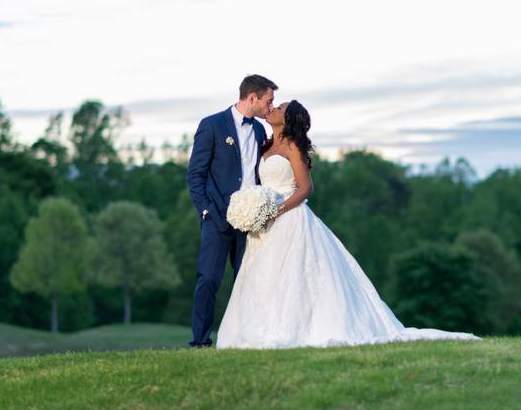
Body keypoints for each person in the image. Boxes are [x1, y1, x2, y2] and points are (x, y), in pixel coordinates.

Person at [216, 100, 481, 349]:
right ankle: (256, 328)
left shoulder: (292, 146)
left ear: (288, 120)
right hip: (264, 224)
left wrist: (277, 210)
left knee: (291, 275)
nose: (273, 108)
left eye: (280, 107)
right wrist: (255, 208)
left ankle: (292, 328)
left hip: (289, 218)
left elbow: (306, 188)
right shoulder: (265, 145)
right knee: (264, 276)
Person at [186, 74, 276, 348]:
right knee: (209, 279)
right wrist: (205, 211)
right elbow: (195, 174)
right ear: (253, 98)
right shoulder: (212, 125)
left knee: (247, 281)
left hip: (251, 221)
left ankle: (245, 339)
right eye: (268, 100)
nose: (271, 107)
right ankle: (200, 342)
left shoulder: (260, 131)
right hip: (217, 217)